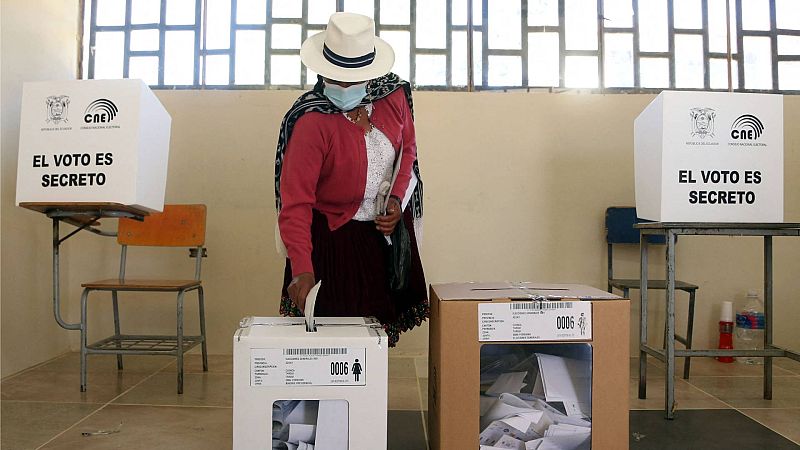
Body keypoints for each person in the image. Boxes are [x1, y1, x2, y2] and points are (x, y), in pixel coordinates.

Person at [274, 12, 428, 346]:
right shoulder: (311, 121)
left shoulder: (393, 97)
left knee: (374, 340)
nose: (343, 87)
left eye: (352, 78)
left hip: (378, 240)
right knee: (331, 342)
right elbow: (296, 202)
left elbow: (408, 152)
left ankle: (365, 398)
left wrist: (396, 200)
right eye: (335, 77)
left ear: (370, 74)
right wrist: (302, 267)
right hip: (331, 242)